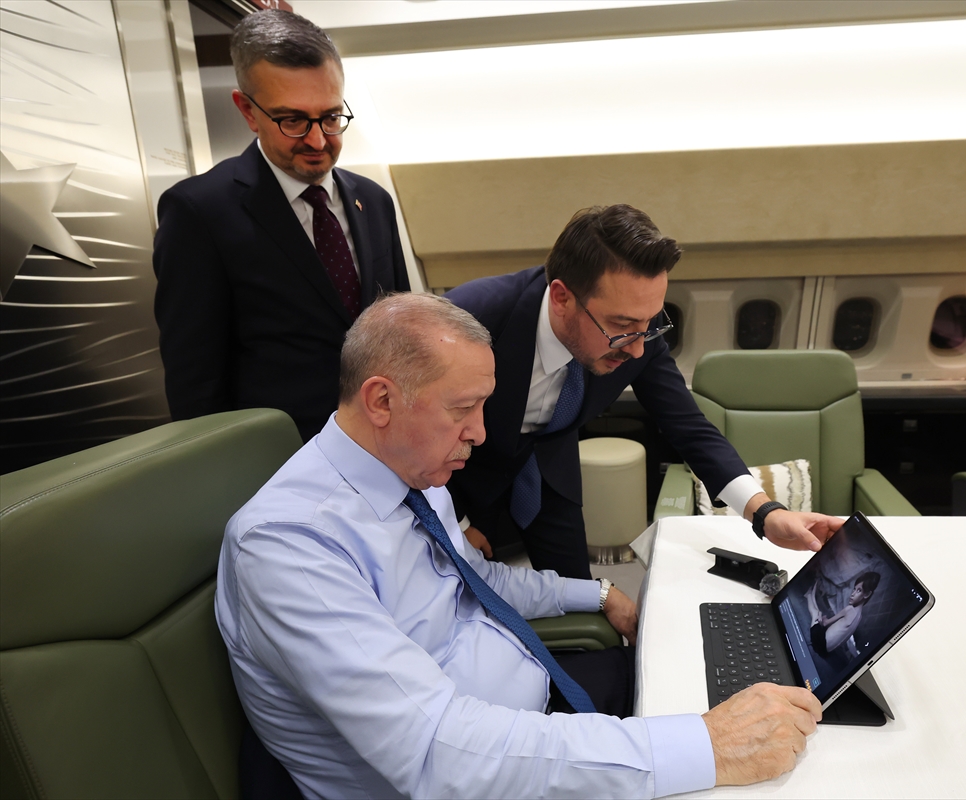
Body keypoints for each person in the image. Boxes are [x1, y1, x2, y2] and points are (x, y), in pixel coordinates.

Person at [215, 292, 823, 799]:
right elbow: (436, 752)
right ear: (381, 400)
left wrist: (599, 592)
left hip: (528, 710)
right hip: (468, 770)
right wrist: (705, 747)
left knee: (698, 670)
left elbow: (477, 580)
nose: (481, 432)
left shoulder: (411, 477)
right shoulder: (291, 546)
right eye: (463, 408)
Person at [445, 204, 843, 578]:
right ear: (563, 298)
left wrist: (765, 513)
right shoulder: (467, 318)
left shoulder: (640, 336)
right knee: (465, 588)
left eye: (650, 322)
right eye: (622, 326)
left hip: (549, 472)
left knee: (577, 588)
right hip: (459, 473)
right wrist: (454, 521)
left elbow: (690, 427)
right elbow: (417, 431)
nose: (637, 349)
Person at [153, 10, 409, 442]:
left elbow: (400, 328)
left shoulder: (374, 200)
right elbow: (195, 381)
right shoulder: (199, 212)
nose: (317, 140)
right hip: (279, 460)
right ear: (248, 111)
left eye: (331, 117)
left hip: (385, 445)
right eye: (292, 120)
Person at [806, 572, 879, 658]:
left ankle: (808, 595)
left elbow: (825, 623)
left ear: (867, 594)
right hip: (826, 651)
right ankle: (813, 592)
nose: (852, 594)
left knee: (816, 614)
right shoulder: (859, 617)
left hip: (819, 643)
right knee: (819, 614)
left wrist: (824, 620)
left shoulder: (850, 610)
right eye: (854, 589)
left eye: (859, 590)